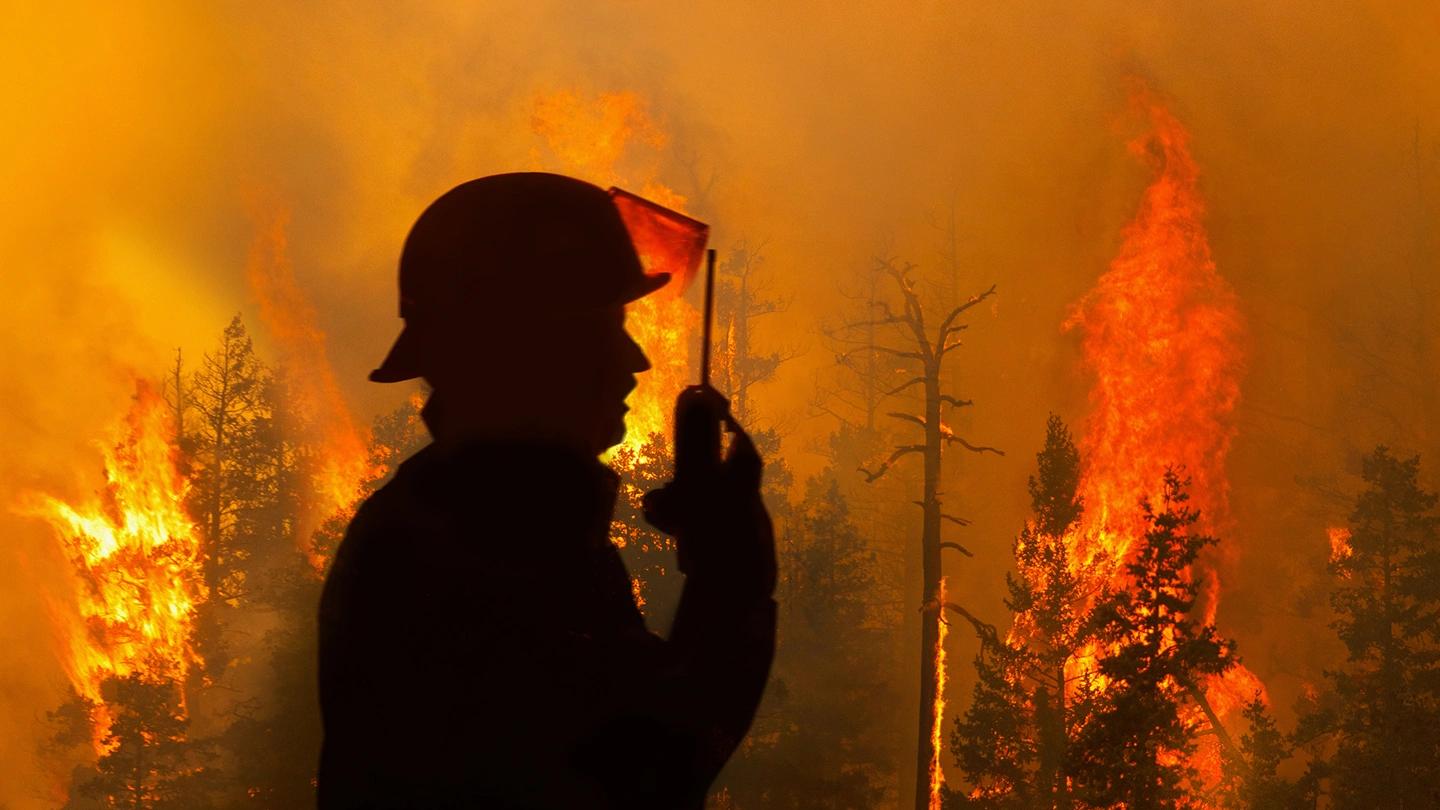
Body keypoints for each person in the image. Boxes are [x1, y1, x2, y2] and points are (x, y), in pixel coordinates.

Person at [317, 173, 776, 809]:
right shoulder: (488, 543)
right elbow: (655, 769)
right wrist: (730, 573)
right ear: (529, 343)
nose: (636, 359)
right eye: (608, 325)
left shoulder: (484, 518)